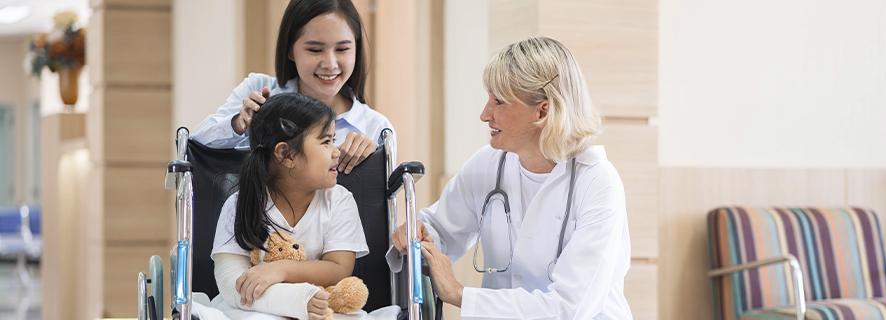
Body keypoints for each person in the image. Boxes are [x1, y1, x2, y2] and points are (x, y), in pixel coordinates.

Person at [390, 37, 633, 319]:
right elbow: (441, 229)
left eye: (499, 102)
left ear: (542, 110)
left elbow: (569, 308)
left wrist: (459, 294)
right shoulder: (489, 164)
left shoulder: (597, 182)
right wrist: (417, 236)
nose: (484, 114)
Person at [210, 93, 369, 320]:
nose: (337, 151)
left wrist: (279, 269)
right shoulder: (239, 204)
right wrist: (295, 301)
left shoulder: (340, 201)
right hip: (254, 309)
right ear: (286, 154)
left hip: (322, 305)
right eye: (326, 142)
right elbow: (231, 282)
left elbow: (339, 268)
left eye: (334, 140)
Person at [193, 0, 390, 174]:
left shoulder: (376, 128)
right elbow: (194, 145)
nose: (330, 63)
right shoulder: (257, 89)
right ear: (290, 51)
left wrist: (372, 165)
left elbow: (377, 210)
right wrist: (238, 124)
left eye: (342, 49)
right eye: (315, 49)